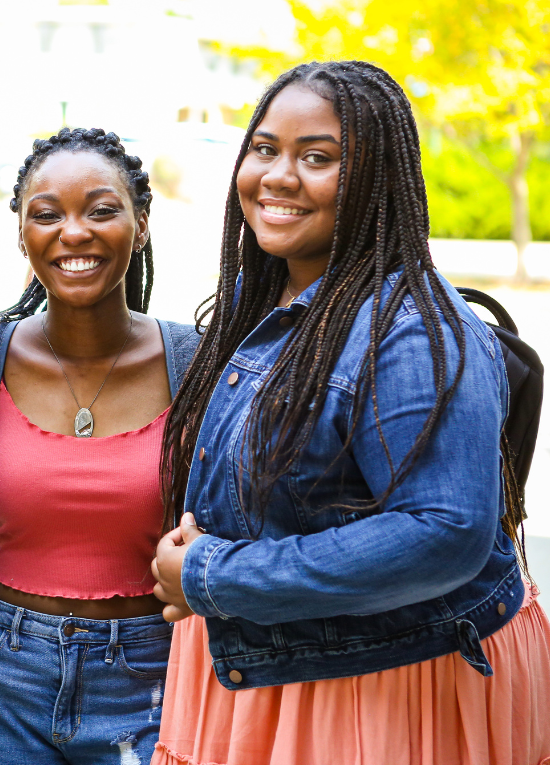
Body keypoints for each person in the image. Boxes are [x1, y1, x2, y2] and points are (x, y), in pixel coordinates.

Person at [151, 61, 550, 765]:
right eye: (266, 148)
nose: (278, 175)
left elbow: (444, 530)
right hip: (273, 663)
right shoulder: (266, 293)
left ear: (377, 179)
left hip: (378, 686)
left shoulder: (411, 331)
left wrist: (215, 574)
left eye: (318, 158)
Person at [0, 127, 199, 765]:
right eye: (48, 214)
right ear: (23, 234)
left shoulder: (198, 362)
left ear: (141, 224)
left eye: (102, 209)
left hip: (154, 672)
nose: (74, 232)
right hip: (2, 672)